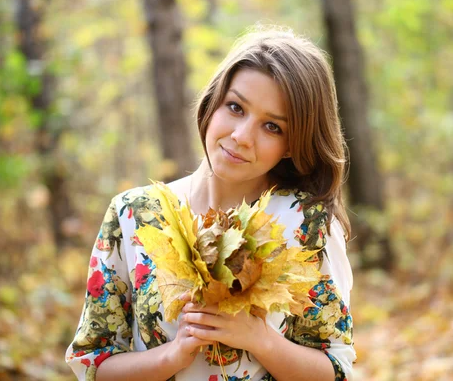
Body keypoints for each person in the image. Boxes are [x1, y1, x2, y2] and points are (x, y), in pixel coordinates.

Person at [65, 26, 355, 381]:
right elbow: (91, 365)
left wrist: (260, 340)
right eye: (235, 107)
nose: (241, 136)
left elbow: (338, 371)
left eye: (272, 127)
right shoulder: (132, 214)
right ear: (214, 100)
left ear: (292, 144)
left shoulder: (305, 224)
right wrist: (170, 357)